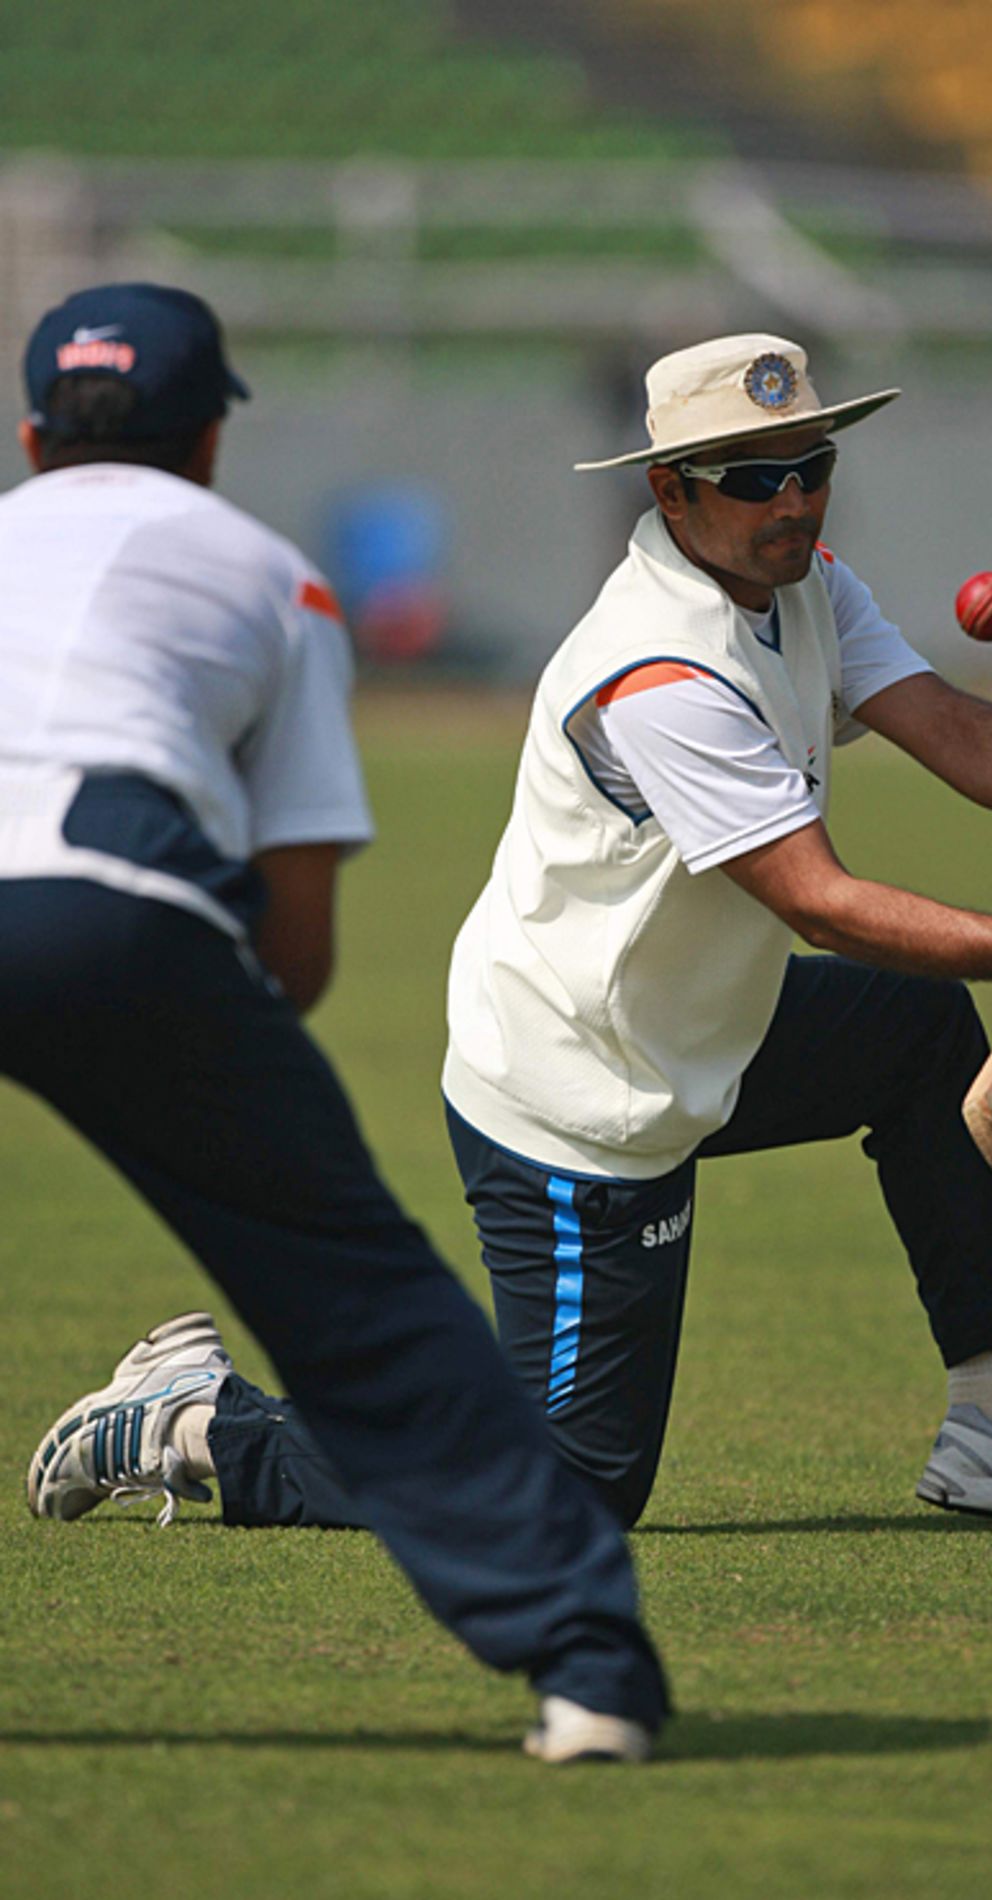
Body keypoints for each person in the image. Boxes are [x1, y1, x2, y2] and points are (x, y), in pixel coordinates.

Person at [70, 333, 992, 1545]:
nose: (788, 500)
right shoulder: (656, 676)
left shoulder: (805, 583)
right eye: (748, 476)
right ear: (669, 490)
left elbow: (937, 716)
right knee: (571, 1487)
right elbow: (815, 901)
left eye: (807, 464)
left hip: (705, 1025)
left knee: (914, 1030)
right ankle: (199, 1419)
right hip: (584, 1090)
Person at [9, 282, 668, 1765]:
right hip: (120, 912)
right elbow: (295, 947)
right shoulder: (268, 576)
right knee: (366, 1304)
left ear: (36, 432)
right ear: (211, 440)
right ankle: (588, 1675)